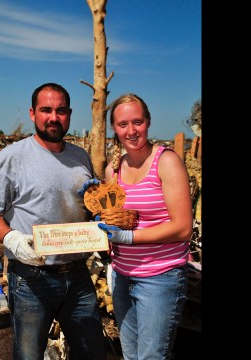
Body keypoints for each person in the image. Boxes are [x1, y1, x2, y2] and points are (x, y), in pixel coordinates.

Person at [0, 83, 107, 360]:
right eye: (46, 110)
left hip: (79, 275)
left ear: (69, 114)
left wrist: (100, 219)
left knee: (92, 351)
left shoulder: (80, 157)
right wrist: (12, 239)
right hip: (32, 279)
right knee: (29, 354)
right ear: (33, 113)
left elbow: (87, 209)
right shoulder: (11, 158)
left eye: (60, 111)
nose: (53, 117)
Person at [86, 93, 194, 359]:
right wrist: (94, 210)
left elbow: (183, 228)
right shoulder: (114, 170)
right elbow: (114, 219)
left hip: (160, 279)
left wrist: (129, 237)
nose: (131, 131)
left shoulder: (166, 162)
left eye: (138, 122)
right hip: (122, 276)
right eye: (123, 124)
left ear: (148, 121)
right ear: (114, 128)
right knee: (131, 354)